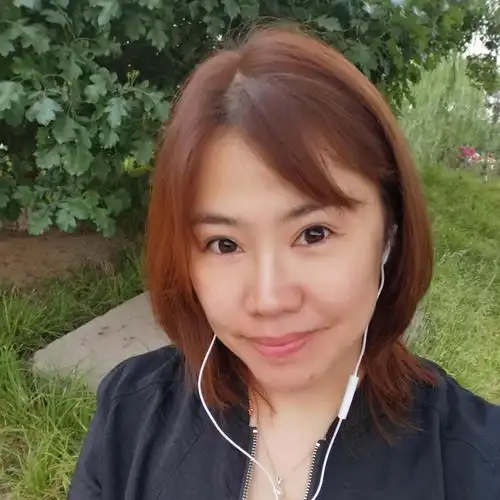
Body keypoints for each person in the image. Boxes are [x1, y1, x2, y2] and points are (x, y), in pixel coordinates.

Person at [68, 25, 500, 500]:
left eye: (314, 234)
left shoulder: (477, 462)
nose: (269, 299)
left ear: (388, 236)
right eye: (224, 244)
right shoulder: (129, 416)